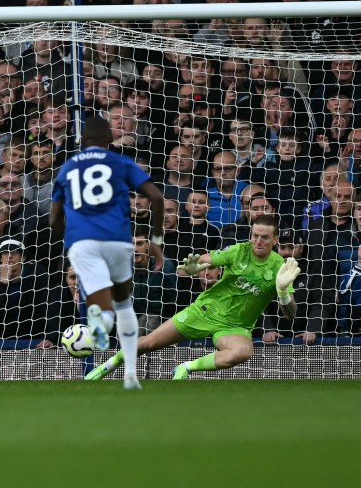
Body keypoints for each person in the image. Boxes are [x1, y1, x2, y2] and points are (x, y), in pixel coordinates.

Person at [86, 215, 301, 381]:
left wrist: (282, 293)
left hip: (235, 327)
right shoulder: (239, 251)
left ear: (275, 240)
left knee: (243, 352)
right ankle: (107, 366)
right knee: (148, 343)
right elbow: (206, 259)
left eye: (265, 237)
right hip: (204, 312)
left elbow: (290, 315)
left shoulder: (281, 268)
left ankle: (185, 367)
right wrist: (193, 267)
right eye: (255, 235)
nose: (258, 241)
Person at [49, 115, 165, 390]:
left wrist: (67, 239)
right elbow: (157, 197)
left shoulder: (66, 168)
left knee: (100, 298)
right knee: (125, 304)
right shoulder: (121, 162)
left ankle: (103, 321)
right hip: (118, 240)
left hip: (83, 243)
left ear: (81, 141)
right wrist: (156, 240)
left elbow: (53, 219)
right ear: (110, 140)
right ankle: (131, 376)